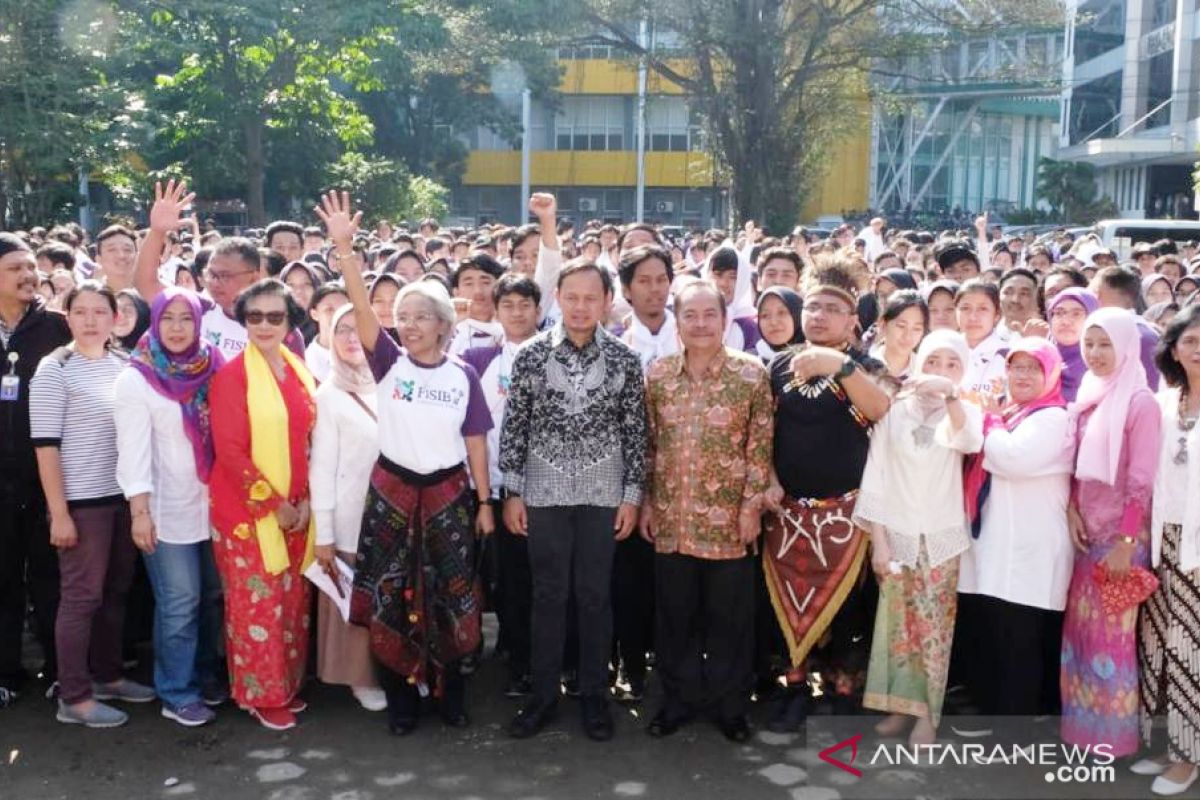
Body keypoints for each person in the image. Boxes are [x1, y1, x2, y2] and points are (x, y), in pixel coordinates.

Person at [319, 192, 493, 735]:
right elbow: (362, 308)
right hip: (393, 496)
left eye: (422, 317)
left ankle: (453, 697)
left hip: (448, 497)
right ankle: (402, 703)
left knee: (452, 596)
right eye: (404, 316)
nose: (410, 324)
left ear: (444, 324)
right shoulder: (388, 362)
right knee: (393, 597)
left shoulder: (462, 374)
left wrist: (484, 503)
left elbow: (476, 444)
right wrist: (345, 250)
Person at [500, 258, 647, 742]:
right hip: (543, 494)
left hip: (603, 495)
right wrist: (513, 492)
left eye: (592, 298)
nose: (581, 307)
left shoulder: (625, 359)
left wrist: (631, 497)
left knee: (594, 596)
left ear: (608, 301)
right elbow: (515, 428)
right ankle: (542, 698)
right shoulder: (531, 355)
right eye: (572, 297)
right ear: (557, 299)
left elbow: (635, 434)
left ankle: (593, 698)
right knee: (546, 596)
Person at [762, 257, 891, 731]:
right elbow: (762, 433)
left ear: (853, 319)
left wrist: (839, 366)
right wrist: (771, 478)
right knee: (786, 609)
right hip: (789, 513)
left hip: (849, 513)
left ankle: (842, 691)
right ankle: (794, 687)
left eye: (831, 310)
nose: (818, 316)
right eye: (812, 307)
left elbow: (880, 411)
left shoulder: (867, 366)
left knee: (850, 611)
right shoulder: (778, 366)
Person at [641, 280, 773, 741]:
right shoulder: (658, 376)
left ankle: (729, 707)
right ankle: (675, 703)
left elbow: (760, 449)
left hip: (729, 524)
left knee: (728, 622)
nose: (700, 324)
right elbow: (652, 446)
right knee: (675, 619)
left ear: (725, 319)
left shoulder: (751, 375)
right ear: (677, 323)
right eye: (690, 316)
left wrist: (751, 508)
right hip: (673, 520)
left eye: (709, 315)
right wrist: (647, 505)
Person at [31, 282, 155, 727]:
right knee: (81, 598)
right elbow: (45, 447)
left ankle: (108, 676)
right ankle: (74, 696)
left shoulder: (125, 363)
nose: (89, 320)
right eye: (79, 312)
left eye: (99, 312)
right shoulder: (54, 369)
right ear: (67, 317)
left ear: (114, 318)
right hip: (81, 502)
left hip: (123, 496)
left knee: (116, 591)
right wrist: (59, 512)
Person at [856, 330, 982, 746]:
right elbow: (876, 474)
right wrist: (879, 540)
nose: (940, 371)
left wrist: (950, 396)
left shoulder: (964, 410)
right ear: (918, 363)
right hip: (897, 534)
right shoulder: (895, 410)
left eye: (952, 364)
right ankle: (900, 706)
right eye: (933, 362)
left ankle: (928, 713)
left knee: (933, 629)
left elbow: (968, 441)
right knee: (898, 627)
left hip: (942, 538)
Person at [114, 288, 227, 727]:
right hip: (165, 509)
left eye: (186, 318)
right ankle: (176, 690)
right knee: (180, 601)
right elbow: (133, 453)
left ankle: (204, 675)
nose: (177, 328)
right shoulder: (137, 377)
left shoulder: (213, 363)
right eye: (168, 319)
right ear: (154, 322)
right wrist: (140, 511)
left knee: (212, 597)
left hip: (213, 504)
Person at [208, 279, 317, 731]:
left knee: (291, 601)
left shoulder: (295, 369)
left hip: (296, 504)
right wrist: (275, 504)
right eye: (255, 316)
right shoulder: (232, 376)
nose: (265, 325)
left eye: (276, 316)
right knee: (257, 604)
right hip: (246, 514)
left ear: (290, 321)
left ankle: (285, 685)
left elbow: (309, 438)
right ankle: (258, 693)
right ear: (243, 320)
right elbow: (230, 452)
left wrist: (306, 498)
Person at [1060, 308, 1160, 757]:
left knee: (1110, 645)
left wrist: (1125, 543)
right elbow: (1078, 470)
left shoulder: (1139, 402)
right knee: (1081, 639)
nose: (1096, 354)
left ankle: (1112, 741)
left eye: (1105, 344)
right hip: (1086, 538)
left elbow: (1141, 481)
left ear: (1126, 347)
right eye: (1089, 344)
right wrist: (1072, 510)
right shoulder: (1090, 395)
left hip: (1121, 543)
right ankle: (1082, 734)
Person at [957, 338, 1073, 722]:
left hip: (1032, 546)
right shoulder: (1016, 413)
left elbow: (1012, 458)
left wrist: (988, 420)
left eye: (1032, 368)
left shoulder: (1053, 417)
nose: (1021, 375)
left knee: (1022, 639)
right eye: (1015, 367)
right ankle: (1003, 717)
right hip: (1007, 543)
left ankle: (1018, 728)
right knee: (1004, 636)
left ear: (1051, 373)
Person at [460, 274, 543, 699]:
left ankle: (534, 660)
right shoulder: (479, 359)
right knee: (500, 579)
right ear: (496, 309)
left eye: (525, 304)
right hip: (489, 488)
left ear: (538, 309)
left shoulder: (553, 357)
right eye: (508, 304)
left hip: (541, 490)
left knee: (533, 580)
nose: (517, 312)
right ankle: (508, 650)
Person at [0, 233, 71, 708]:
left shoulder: (58, 328)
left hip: (46, 476)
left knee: (51, 577)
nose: (28, 275)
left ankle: (61, 670)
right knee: (3, 579)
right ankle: (6, 674)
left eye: (31, 266)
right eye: (14, 268)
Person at [308, 304, 386, 713]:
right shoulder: (328, 394)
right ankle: (359, 678)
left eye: (361, 330)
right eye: (343, 331)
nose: (352, 338)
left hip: (393, 512)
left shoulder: (391, 379)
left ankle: (396, 672)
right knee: (353, 599)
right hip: (349, 514)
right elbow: (321, 468)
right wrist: (324, 534)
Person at [1136, 305, 1200, 796]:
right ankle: (1164, 744)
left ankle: (1187, 756)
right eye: (1190, 339)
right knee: (1156, 642)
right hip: (1164, 537)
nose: (1197, 349)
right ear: (1174, 348)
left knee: (1188, 651)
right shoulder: (1164, 401)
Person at [955, 280, 1009, 404]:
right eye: (965, 308)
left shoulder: (1009, 357)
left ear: (997, 315)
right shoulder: (945, 350)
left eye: (983, 309)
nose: (973, 317)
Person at [1047, 288, 1100, 403]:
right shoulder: (1038, 359)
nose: (1065, 321)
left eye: (1076, 314)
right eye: (1059, 313)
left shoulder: (1101, 366)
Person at [868, 290, 928, 383]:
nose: (908, 336)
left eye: (917, 328)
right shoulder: (864, 368)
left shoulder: (925, 372)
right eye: (901, 326)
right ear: (883, 324)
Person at [304, 283, 350, 383]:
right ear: (314, 314)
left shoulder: (362, 355)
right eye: (329, 309)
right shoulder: (306, 362)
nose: (337, 315)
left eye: (343, 309)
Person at [755, 287, 804, 364]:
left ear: (798, 316)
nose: (773, 322)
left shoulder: (814, 361)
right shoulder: (748, 364)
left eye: (782, 313)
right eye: (765, 315)